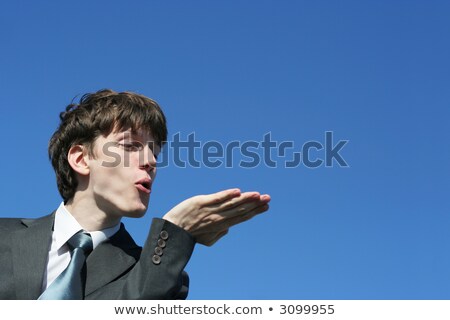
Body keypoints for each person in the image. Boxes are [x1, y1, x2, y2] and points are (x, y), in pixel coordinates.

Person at [0, 89, 270, 299]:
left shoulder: (160, 273)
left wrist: (175, 234)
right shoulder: (5, 237)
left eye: (154, 150)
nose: (150, 161)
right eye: (130, 146)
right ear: (81, 159)